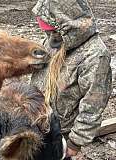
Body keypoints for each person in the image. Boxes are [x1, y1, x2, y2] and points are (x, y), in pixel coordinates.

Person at [30, 0, 112, 158]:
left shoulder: (95, 55)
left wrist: (75, 143)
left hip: (61, 133)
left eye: (53, 31)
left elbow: (92, 106)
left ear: (67, 24)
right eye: (48, 32)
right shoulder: (55, 40)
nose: (50, 36)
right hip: (38, 122)